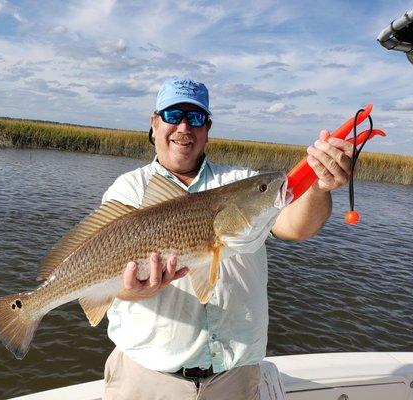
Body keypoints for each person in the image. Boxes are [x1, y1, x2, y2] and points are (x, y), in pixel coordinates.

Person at [101, 77, 353, 400]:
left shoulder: (241, 182)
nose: (183, 127)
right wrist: (131, 290)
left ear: (206, 129)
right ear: (154, 124)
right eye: (173, 114)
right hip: (148, 381)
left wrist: (318, 186)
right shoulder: (128, 192)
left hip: (234, 381)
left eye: (195, 118)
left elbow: (296, 225)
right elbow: (107, 286)